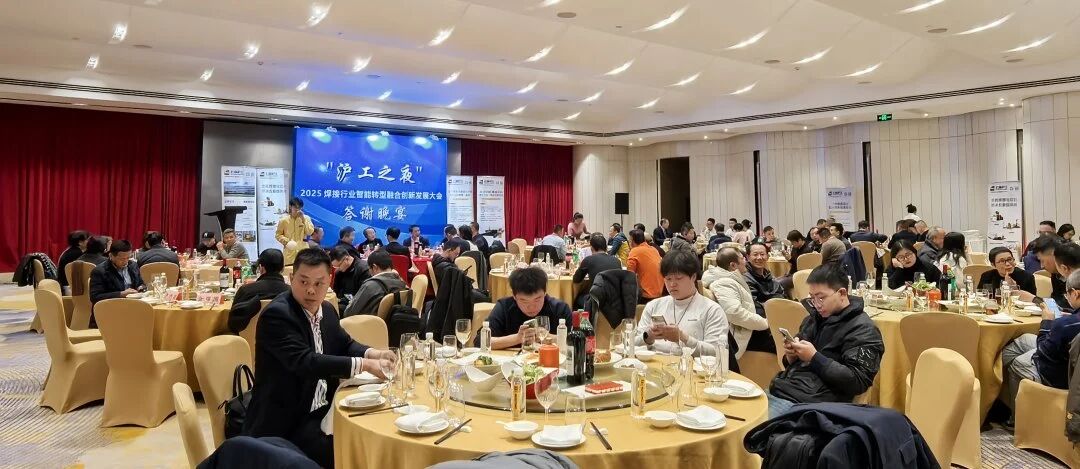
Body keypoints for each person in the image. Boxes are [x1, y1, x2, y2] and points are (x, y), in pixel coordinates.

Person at [242, 248, 394, 468]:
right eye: (303, 282)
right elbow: (306, 362)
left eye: (319, 283)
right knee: (354, 452)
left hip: (323, 410)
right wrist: (366, 365)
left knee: (374, 430)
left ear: (329, 281)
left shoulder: (327, 310)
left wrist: (375, 353)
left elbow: (345, 344)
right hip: (287, 422)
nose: (311, 290)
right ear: (291, 278)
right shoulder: (278, 315)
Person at [767, 264, 884, 417]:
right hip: (785, 388)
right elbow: (793, 365)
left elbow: (858, 382)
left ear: (842, 293)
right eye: (812, 298)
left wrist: (814, 358)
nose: (816, 304)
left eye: (821, 297)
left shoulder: (864, 329)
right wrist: (791, 356)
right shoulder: (813, 319)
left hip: (815, 404)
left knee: (751, 424)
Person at [1001, 269, 1080, 417]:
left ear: (1075, 294)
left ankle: (1017, 417)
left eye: (1067, 294)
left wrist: (1046, 323)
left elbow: (1043, 351)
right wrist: (1070, 315)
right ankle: (997, 393)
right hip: (1067, 358)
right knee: (1022, 341)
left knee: (1018, 363)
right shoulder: (1069, 321)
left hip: (1061, 375)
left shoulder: (1064, 325)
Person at [635, 250, 729, 357]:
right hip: (654, 364)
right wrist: (647, 337)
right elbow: (633, 344)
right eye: (668, 279)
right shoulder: (653, 306)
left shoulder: (712, 310)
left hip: (690, 366)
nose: (672, 284)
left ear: (693, 277)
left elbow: (717, 352)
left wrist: (683, 338)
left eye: (678, 278)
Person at [702, 247, 768, 358]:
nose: (745, 261)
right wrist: (765, 323)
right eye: (742, 259)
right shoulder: (723, 283)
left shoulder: (729, 278)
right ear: (733, 265)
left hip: (750, 328)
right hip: (745, 335)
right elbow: (734, 313)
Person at [485, 266, 572, 350]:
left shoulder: (559, 308)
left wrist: (548, 337)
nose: (531, 307)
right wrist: (517, 338)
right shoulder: (504, 307)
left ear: (545, 292)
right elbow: (482, 341)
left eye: (537, 299)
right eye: (524, 301)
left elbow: (574, 341)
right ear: (514, 296)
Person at [228, 249, 289, 334]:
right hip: (284, 340)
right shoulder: (291, 292)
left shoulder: (246, 290)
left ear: (261, 268)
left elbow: (232, 323)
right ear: (283, 268)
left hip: (247, 340)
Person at [744, 243, 785, 352]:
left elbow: (781, 295)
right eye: (755, 254)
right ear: (748, 257)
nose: (759, 258)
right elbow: (755, 308)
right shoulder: (746, 278)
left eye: (762, 254)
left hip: (777, 323)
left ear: (767, 256)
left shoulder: (767, 275)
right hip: (760, 330)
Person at [343, 251, 407, 317]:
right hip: (394, 321)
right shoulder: (402, 283)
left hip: (371, 321)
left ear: (374, 267)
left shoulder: (370, 285)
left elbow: (349, 313)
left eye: (369, 268)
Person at [89, 239, 145, 304]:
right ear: (111, 256)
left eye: (128, 258)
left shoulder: (133, 265)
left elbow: (140, 283)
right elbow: (95, 297)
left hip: (133, 303)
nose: (126, 262)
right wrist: (120, 294)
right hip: (111, 306)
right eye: (122, 259)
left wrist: (141, 287)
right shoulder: (100, 271)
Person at [328, 245, 370, 311]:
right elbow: (336, 292)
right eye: (335, 267)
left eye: (339, 265)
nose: (337, 269)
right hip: (342, 302)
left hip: (356, 306)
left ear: (347, 259)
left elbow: (363, 298)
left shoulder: (364, 270)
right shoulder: (339, 272)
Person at [626, 229, 663, 302]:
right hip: (660, 292)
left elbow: (629, 275)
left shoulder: (634, 251)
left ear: (632, 241)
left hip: (646, 295)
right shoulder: (653, 249)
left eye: (629, 240)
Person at [275, 197, 315, 264]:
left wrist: (303, 219)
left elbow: (309, 232)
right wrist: (287, 242)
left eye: (299, 207)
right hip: (289, 251)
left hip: (303, 251)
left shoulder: (306, 218)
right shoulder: (284, 220)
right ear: (290, 207)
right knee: (289, 269)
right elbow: (278, 235)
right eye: (295, 207)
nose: (297, 209)